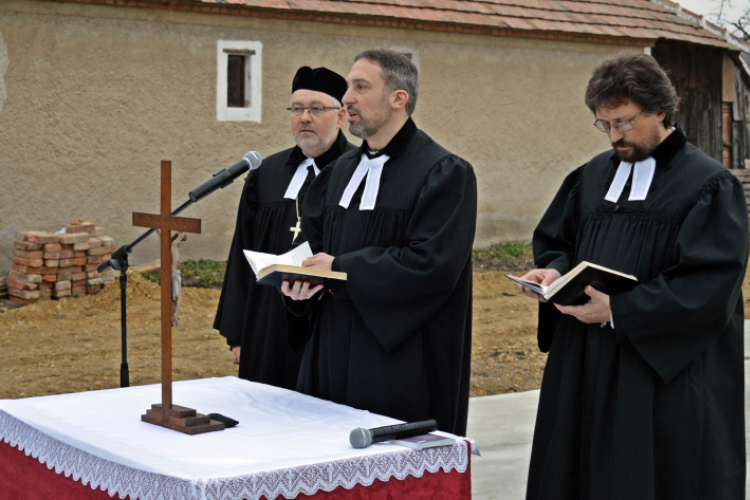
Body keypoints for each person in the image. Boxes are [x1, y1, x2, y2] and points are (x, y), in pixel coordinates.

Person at [518, 52, 748, 500]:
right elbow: (559, 241)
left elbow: (709, 284)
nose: (613, 136)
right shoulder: (591, 176)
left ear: (660, 110)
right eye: (603, 124)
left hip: (663, 372)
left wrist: (621, 310)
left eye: (623, 122)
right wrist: (554, 271)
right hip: (586, 358)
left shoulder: (709, 184)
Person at [281, 50, 477, 436]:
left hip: (398, 359)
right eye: (348, 87)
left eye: (359, 87)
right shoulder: (338, 172)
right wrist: (297, 282)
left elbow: (431, 265)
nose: (347, 97)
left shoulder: (444, 173)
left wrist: (341, 269)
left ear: (398, 98)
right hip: (329, 350)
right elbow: (312, 246)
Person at [214, 66, 354, 390]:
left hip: (329, 325)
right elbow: (241, 251)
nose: (304, 118)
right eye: (296, 109)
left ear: (341, 115)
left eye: (317, 108)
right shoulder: (266, 174)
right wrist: (238, 334)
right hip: (266, 323)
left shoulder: (358, 173)